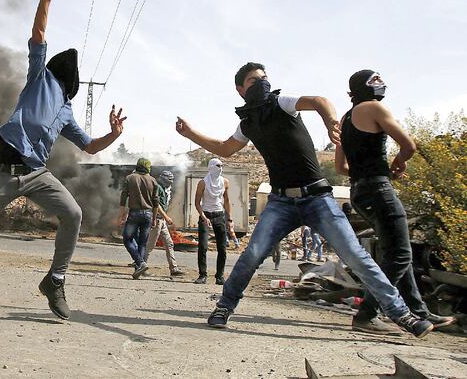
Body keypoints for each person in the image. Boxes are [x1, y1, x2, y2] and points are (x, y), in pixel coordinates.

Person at [174, 62, 432, 337]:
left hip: (316, 197)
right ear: (240, 89)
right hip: (280, 202)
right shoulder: (247, 124)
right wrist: (190, 134)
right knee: (252, 255)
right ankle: (224, 306)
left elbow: (319, 101)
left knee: (356, 255)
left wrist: (332, 122)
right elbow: (225, 149)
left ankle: (401, 314)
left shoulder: (282, 103)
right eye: (253, 80)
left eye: (264, 77)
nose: (262, 83)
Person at [0, 0, 127, 320]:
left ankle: (55, 280)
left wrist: (115, 134)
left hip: (36, 173)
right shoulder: (40, 78)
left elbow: (92, 147)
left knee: (74, 213)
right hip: (2, 172)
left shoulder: (66, 112)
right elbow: (38, 34)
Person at [335, 70, 455, 333]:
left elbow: (341, 166)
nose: (380, 84)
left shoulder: (345, 119)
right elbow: (408, 145)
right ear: (365, 87)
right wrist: (397, 164)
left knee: (398, 254)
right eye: (375, 80)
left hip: (359, 192)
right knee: (400, 255)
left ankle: (419, 312)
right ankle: (367, 314)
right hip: (379, 190)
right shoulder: (375, 107)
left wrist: (374, 170)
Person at [193, 158, 234, 285]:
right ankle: (202, 275)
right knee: (203, 246)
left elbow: (226, 201)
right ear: (211, 167)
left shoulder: (225, 182)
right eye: (217, 165)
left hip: (219, 215)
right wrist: (203, 217)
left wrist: (229, 219)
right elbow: (197, 203)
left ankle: (219, 276)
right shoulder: (203, 183)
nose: (220, 168)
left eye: (221, 165)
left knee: (222, 247)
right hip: (206, 214)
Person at [117, 158, 158, 279]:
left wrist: (121, 216)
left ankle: (140, 263)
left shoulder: (130, 178)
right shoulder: (153, 180)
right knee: (142, 243)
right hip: (148, 214)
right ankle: (138, 270)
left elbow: (123, 199)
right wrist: (154, 218)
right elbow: (156, 202)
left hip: (134, 214)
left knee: (127, 239)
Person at [144, 170, 184, 276]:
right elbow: (156, 205)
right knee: (150, 245)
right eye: (169, 180)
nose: (171, 182)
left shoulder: (164, 189)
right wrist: (166, 217)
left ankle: (173, 268)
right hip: (157, 219)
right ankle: (141, 266)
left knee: (169, 243)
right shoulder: (158, 187)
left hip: (161, 221)